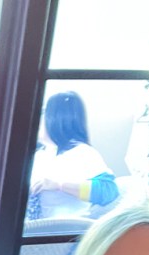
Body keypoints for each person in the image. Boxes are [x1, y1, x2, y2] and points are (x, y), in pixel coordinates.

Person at [30, 91, 119, 219]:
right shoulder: (40, 155)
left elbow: (108, 191)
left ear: (57, 118)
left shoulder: (82, 153)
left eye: (43, 113)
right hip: (33, 226)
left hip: (63, 227)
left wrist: (60, 185)